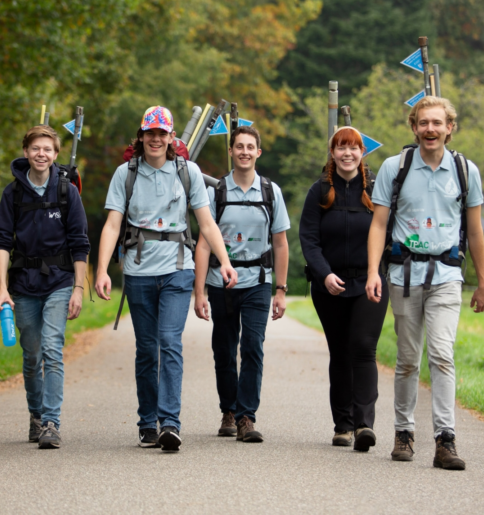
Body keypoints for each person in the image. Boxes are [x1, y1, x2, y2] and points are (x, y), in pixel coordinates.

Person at [94, 106, 238, 452]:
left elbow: (206, 223)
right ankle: (147, 421)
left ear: (172, 137)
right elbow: (113, 224)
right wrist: (101, 270)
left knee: (169, 342)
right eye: (150, 133)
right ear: (141, 137)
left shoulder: (187, 171)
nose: (156, 139)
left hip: (177, 268)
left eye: (162, 133)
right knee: (146, 349)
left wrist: (225, 260)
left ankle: (170, 422)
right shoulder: (125, 174)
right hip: (138, 270)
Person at [366, 95, 484, 471]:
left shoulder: (466, 171)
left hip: (447, 276)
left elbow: (475, 229)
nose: (430, 129)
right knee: (406, 360)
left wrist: (483, 281)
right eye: (424, 123)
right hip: (404, 276)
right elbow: (379, 224)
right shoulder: (394, 167)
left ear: (450, 128)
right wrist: (374, 271)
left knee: (441, 354)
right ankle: (403, 432)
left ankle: (445, 439)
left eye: (438, 123)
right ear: (414, 126)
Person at [0, 125, 90, 449]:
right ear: (26, 152)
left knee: (52, 347)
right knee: (31, 353)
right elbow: (3, 242)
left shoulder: (66, 192)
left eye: (47, 149)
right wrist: (1, 288)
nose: (41, 154)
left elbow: (80, 243)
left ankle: (51, 422)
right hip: (23, 285)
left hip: (59, 281)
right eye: (35, 148)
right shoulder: (13, 194)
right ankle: (36, 415)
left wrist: (78, 288)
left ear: (56, 154)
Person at [193, 126, 290, 443]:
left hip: (258, 283)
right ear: (231, 152)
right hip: (221, 284)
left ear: (258, 153)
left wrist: (281, 289)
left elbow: (280, 244)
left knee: (252, 347)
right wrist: (199, 292)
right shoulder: (215, 193)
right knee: (223, 349)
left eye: (251, 147)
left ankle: (247, 416)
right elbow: (204, 244)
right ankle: (229, 411)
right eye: (239, 146)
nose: (245, 151)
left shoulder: (270, 192)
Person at [300, 126, 389, 452]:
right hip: (330, 286)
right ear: (333, 152)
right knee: (339, 351)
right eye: (341, 148)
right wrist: (323, 274)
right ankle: (343, 425)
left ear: (362, 152)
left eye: (353, 148)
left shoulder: (377, 190)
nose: (347, 154)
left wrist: (373, 272)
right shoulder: (319, 191)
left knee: (363, 348)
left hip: (370, 282)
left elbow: (387, 233)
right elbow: (308, 238)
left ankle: (365, 424)